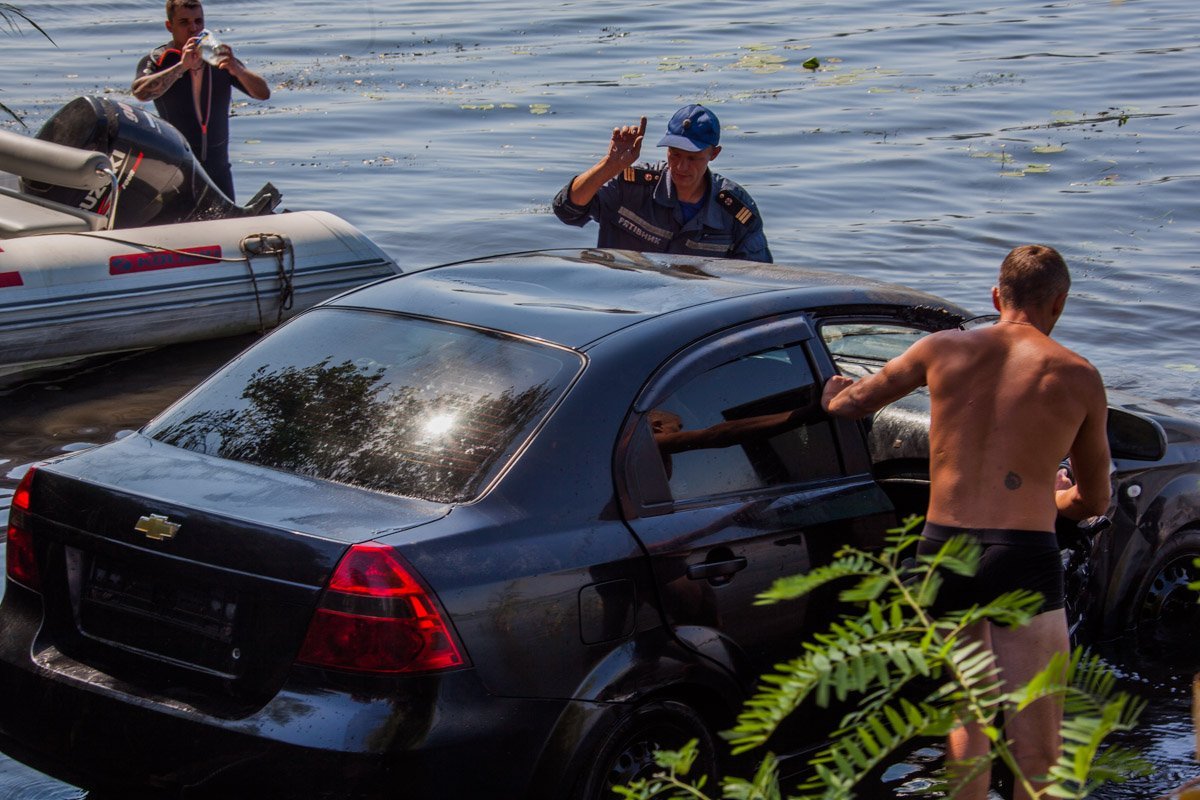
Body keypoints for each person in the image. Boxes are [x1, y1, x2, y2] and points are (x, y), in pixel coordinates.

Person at [820, 244, 1112, 800]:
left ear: (996, 297)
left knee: (968, 722)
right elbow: (1094, 500)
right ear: (1060, 303)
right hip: (1021, 557)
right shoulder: (1077, 376)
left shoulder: (939, 350)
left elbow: (858, 401)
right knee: (1037, 748)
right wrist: (1053, 497)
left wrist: (832, 397)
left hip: (943, 552)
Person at [552, 104, 772, 262]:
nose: (681, 167)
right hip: (621, 306)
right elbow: (567, 210)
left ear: (714, 154)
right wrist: (608, 167)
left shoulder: (734, 210)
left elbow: (756, 279)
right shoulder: (632, 186)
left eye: (693, 158)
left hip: (691, 313)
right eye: (674, 155)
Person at [131, 0, 270, 200]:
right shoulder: (159, 59)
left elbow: (263, 93)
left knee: (226, 226)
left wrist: (237, 69)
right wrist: (182, 66)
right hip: (178, 166)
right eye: (184, 22)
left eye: (198, 21)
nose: (193, 28)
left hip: (218, 167)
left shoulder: (218, 59)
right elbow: (141, 93)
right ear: (170, 26)